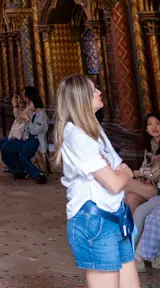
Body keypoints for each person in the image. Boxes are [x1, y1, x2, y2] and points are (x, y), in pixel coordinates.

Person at [54, 74, 138, 287]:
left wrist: (121, 172)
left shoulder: (94, 130)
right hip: (94, 220)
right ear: (81, 98)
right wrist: (124, 174)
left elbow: (119, 168)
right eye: (93, 90)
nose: (100, 92)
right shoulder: (76, 136)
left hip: (116, 215)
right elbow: (116, 181)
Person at [0, 92, 49, 183]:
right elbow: (26, 127)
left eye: (30, 103)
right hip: (27, 138)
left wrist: (28, 121)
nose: (29, 105)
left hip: (36, 140)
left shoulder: (42, 115)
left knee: (23, 156)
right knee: (7, 148)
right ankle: (18, 170)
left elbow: (35, 131)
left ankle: (37, 174)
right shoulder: (33, 114)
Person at [126, 111, 160, 212]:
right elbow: (145, 167)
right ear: (146, 129)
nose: (154, 127)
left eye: (158, 123)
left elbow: (156, 173)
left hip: (158, 188)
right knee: (131, 198)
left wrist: (138, 173)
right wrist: (142, 176)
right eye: (150, 124)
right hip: (149, 185)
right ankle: (130, 227)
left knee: (127, 183)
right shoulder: (150, 145)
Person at [0, 88, 37, 154]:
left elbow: (19, 118)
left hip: (22, 137)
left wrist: (14, 106)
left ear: (27, 97)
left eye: (23, 95)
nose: (22, 97)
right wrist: (19, 103)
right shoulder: (29, 105)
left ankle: (17, 161)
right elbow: (22, 113)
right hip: (17, 134)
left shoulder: (32, 107)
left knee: (4, 148)